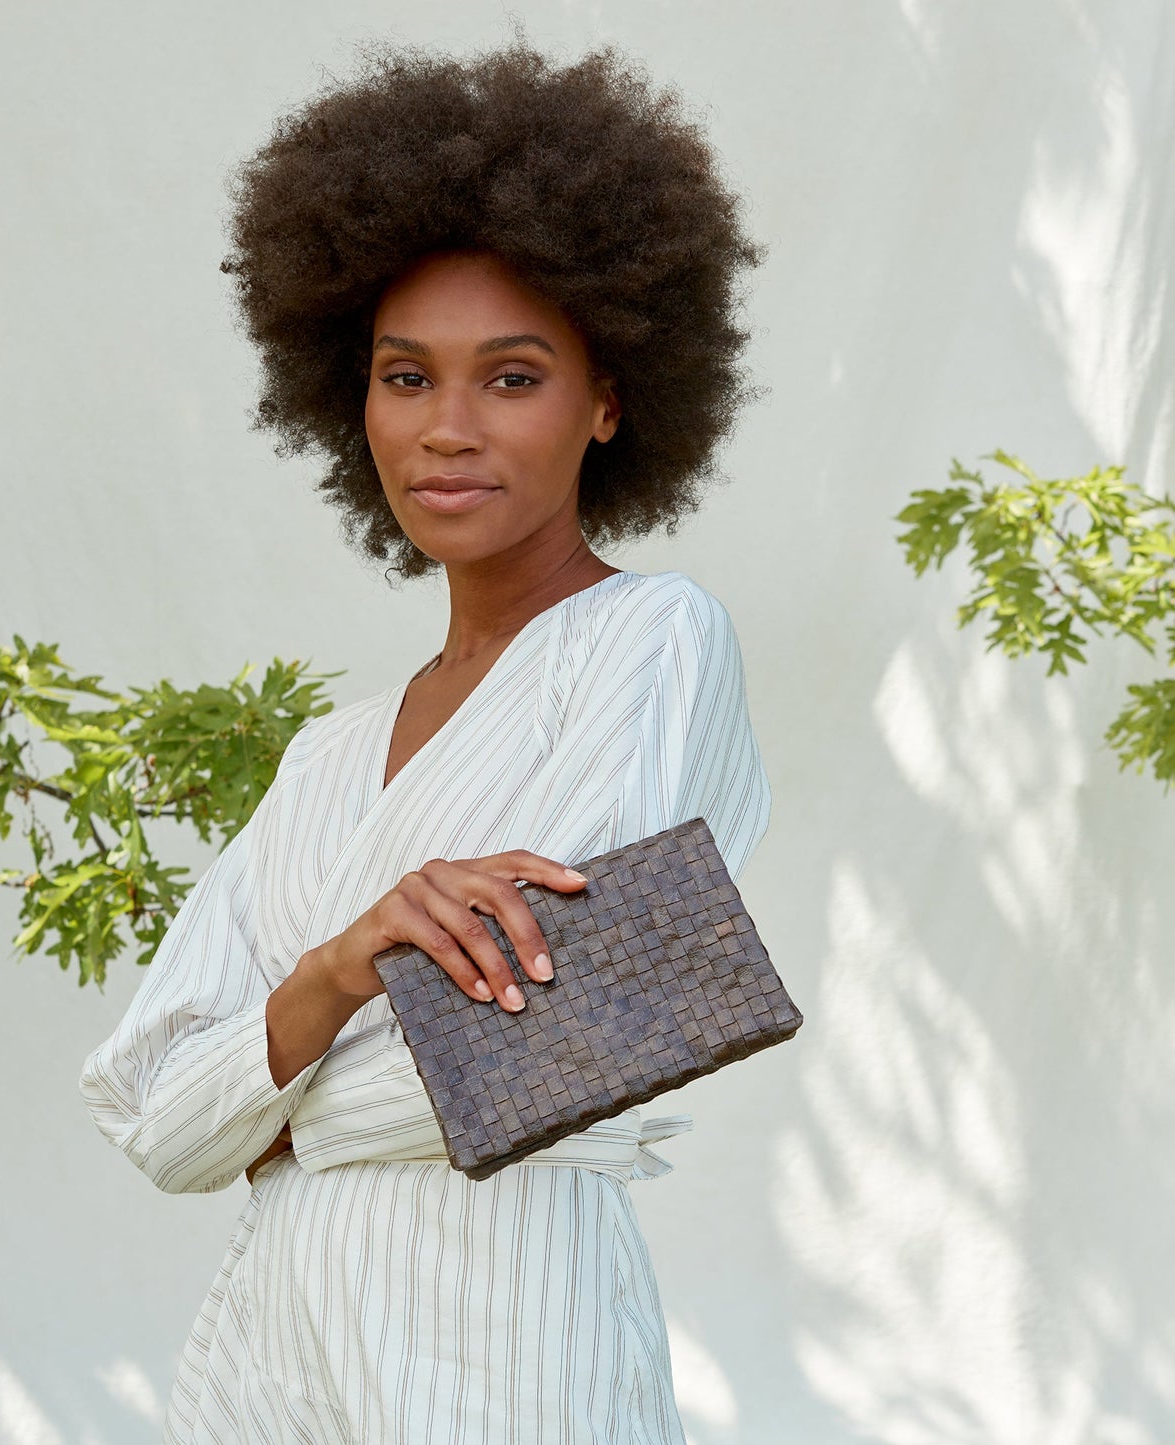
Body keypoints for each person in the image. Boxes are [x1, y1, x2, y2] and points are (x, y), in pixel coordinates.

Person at [80, 37, 773, 1445]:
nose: (446, 430)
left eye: (510, 378)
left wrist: (273, 1102)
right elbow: (152, 1115)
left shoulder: (648, 641)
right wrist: (348, 964)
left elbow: (568, 1032)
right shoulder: (324, 759)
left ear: (609, 398)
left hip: (503, 1346)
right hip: (271, 1362)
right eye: (407, 376)